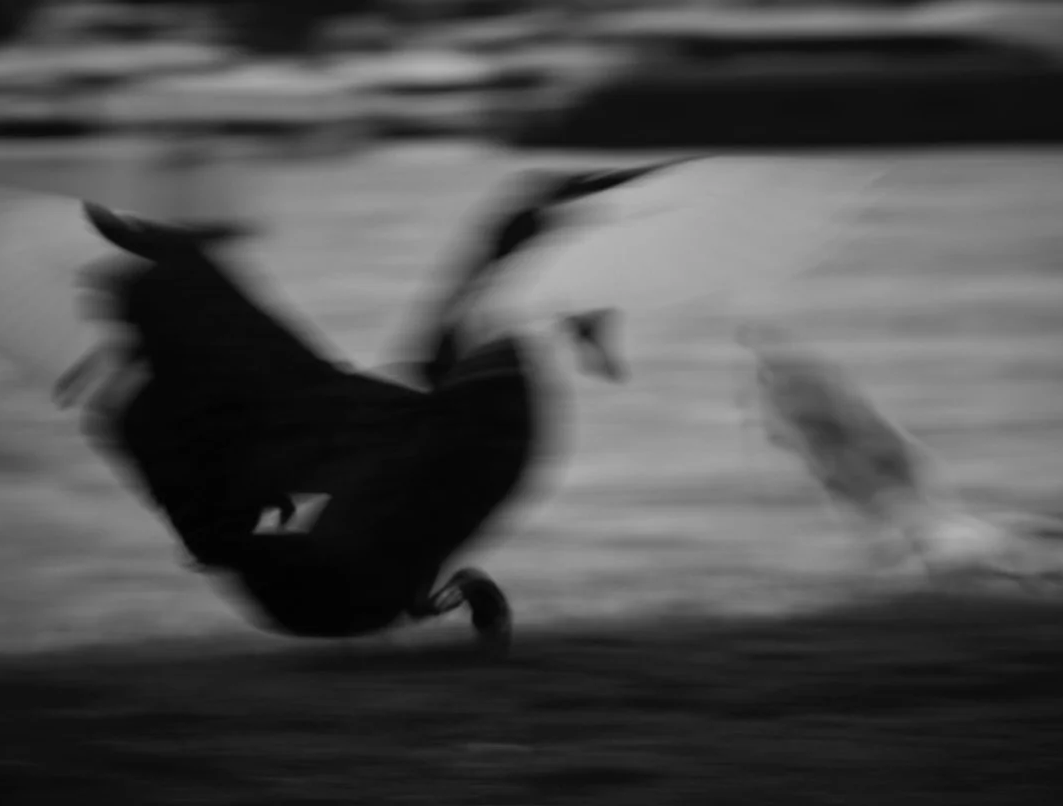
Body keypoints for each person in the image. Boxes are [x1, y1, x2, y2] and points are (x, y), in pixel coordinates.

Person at [75, 162, 678, 649]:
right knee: (393, 406)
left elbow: (232, 492)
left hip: (317, 590)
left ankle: (175, 282)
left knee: (342, 412)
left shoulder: (183, 420)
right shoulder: (391, 430)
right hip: (342, 581)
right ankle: (549, 249)